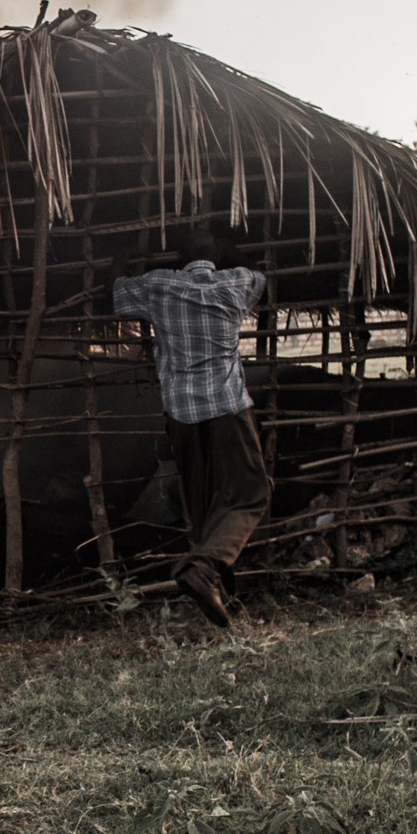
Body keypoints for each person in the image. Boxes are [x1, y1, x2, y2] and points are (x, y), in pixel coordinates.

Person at [113, 222, 269, 627]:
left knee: (202, 510)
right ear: (216, 253)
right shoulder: (236, 283)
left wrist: (127, 253)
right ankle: (203, 568)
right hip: (228, 409)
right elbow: (260, 273)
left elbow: (115, 290)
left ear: (179, 256)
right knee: (250, 494)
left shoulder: (159, 285)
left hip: (182, 413)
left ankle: (220, 598)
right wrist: (228, 250)